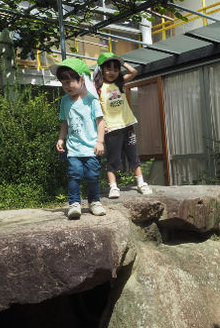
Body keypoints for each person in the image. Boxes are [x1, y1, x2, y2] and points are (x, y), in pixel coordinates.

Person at [51, 58, 106, 220]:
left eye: (70, 82)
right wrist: (61, 139)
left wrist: (100, 141)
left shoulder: (92, 100)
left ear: (81, 79)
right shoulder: (65, 101)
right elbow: (65, 122)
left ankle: (94, 202)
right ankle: (74, 204)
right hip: (74, 149)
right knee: (74, 175)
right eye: (63, 83)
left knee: (92, 175)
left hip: (91, 148)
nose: (67, 86)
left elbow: (100, 122)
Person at [94, 52, 152, 199]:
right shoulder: (98, 88)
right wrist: (101, 126)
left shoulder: (120, 83)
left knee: (133, 155)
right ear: (101, 70)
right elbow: (93, 109)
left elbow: (134, 72)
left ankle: (141, 183)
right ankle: (113, 187)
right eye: (108, 68)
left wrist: (122, 61)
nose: (112, 72)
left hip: (127, 125)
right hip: (112, 128)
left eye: (116, 68)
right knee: (113, 158)